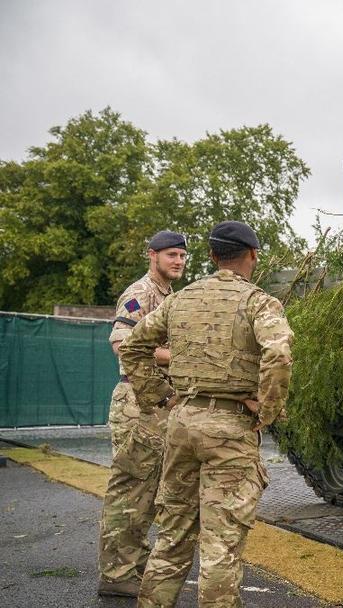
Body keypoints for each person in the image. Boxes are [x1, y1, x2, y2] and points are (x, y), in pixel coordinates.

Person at [119, 221, 294, 608]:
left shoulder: (180, 300)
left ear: (213, 257)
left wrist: (161, 397)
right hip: (230, 429)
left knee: (172, 535)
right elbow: (278, 355)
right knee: (221, 542)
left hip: (182, 423)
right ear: (252, 255)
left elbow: (131, 347)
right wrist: (266, 410)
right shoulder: (258, 302)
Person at [98, 230, 188, 598]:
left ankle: (130, 564)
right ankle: (116, 573)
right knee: (131, 489)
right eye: (171, 255)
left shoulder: (168, 295)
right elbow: (122, 343)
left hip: (156, 402)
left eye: (182, 256)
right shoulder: (141, 293)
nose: (179, 261)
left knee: (147, 491)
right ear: (152, 256)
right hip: (137, 403)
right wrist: (179, 357)